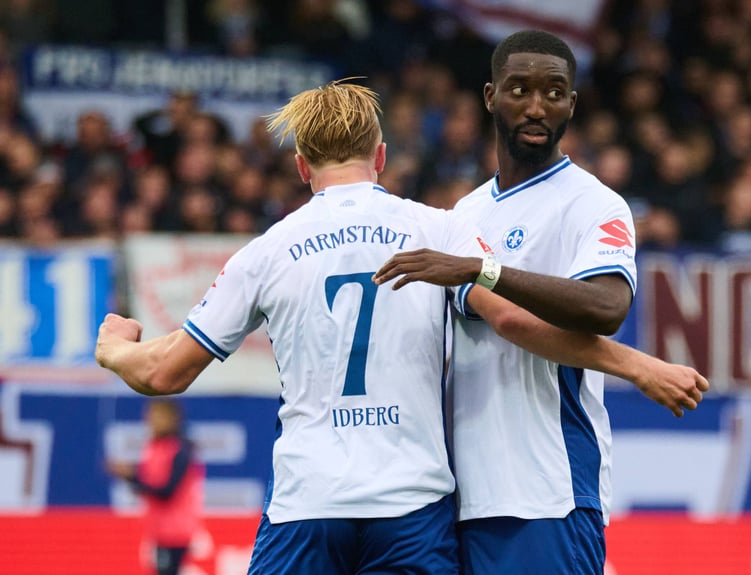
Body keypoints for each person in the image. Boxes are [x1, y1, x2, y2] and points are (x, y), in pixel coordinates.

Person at [96, 78, 706, 574]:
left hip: (309, 504)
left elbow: (164, 372)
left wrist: (117, 348)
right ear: (381, 158)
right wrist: (638, 365)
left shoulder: (268, 251)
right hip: (412, 512)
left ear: (303, 166)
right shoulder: (437, 231)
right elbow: (518, 322)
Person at [374, 29, 708, 574]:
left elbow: (606, 308)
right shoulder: (465, 214)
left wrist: (483, 269)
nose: (536, 107)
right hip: (459, 495)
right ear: (490, 97)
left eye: (553, 93)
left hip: (547, 491)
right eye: (519, 90)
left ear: (571, 104)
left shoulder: (594, 205)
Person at [107, 399, 204, 575]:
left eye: (156, 415)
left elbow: (167, 490)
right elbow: (149, 478)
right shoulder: (154, 446)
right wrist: (130, 475)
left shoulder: (181, 450)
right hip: (158, 530)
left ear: (172, 418)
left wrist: (132, 477)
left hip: (176, 532)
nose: (150, 420)